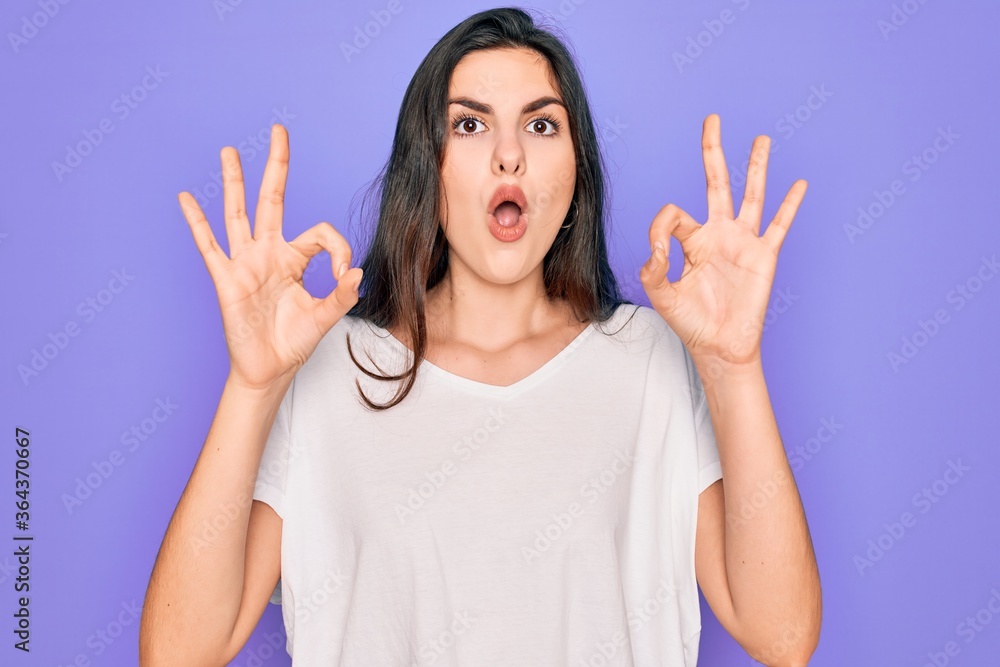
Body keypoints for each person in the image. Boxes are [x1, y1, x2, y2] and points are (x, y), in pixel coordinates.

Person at [139, 7, 821, 666]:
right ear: (426, 167)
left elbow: (783, 637)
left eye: (541, 125)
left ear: (575, 171)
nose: (509, 156)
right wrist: (253, 385)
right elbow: (176, 654)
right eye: (469, 124)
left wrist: (734, 367)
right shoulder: (328, 371)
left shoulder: (651, 362)